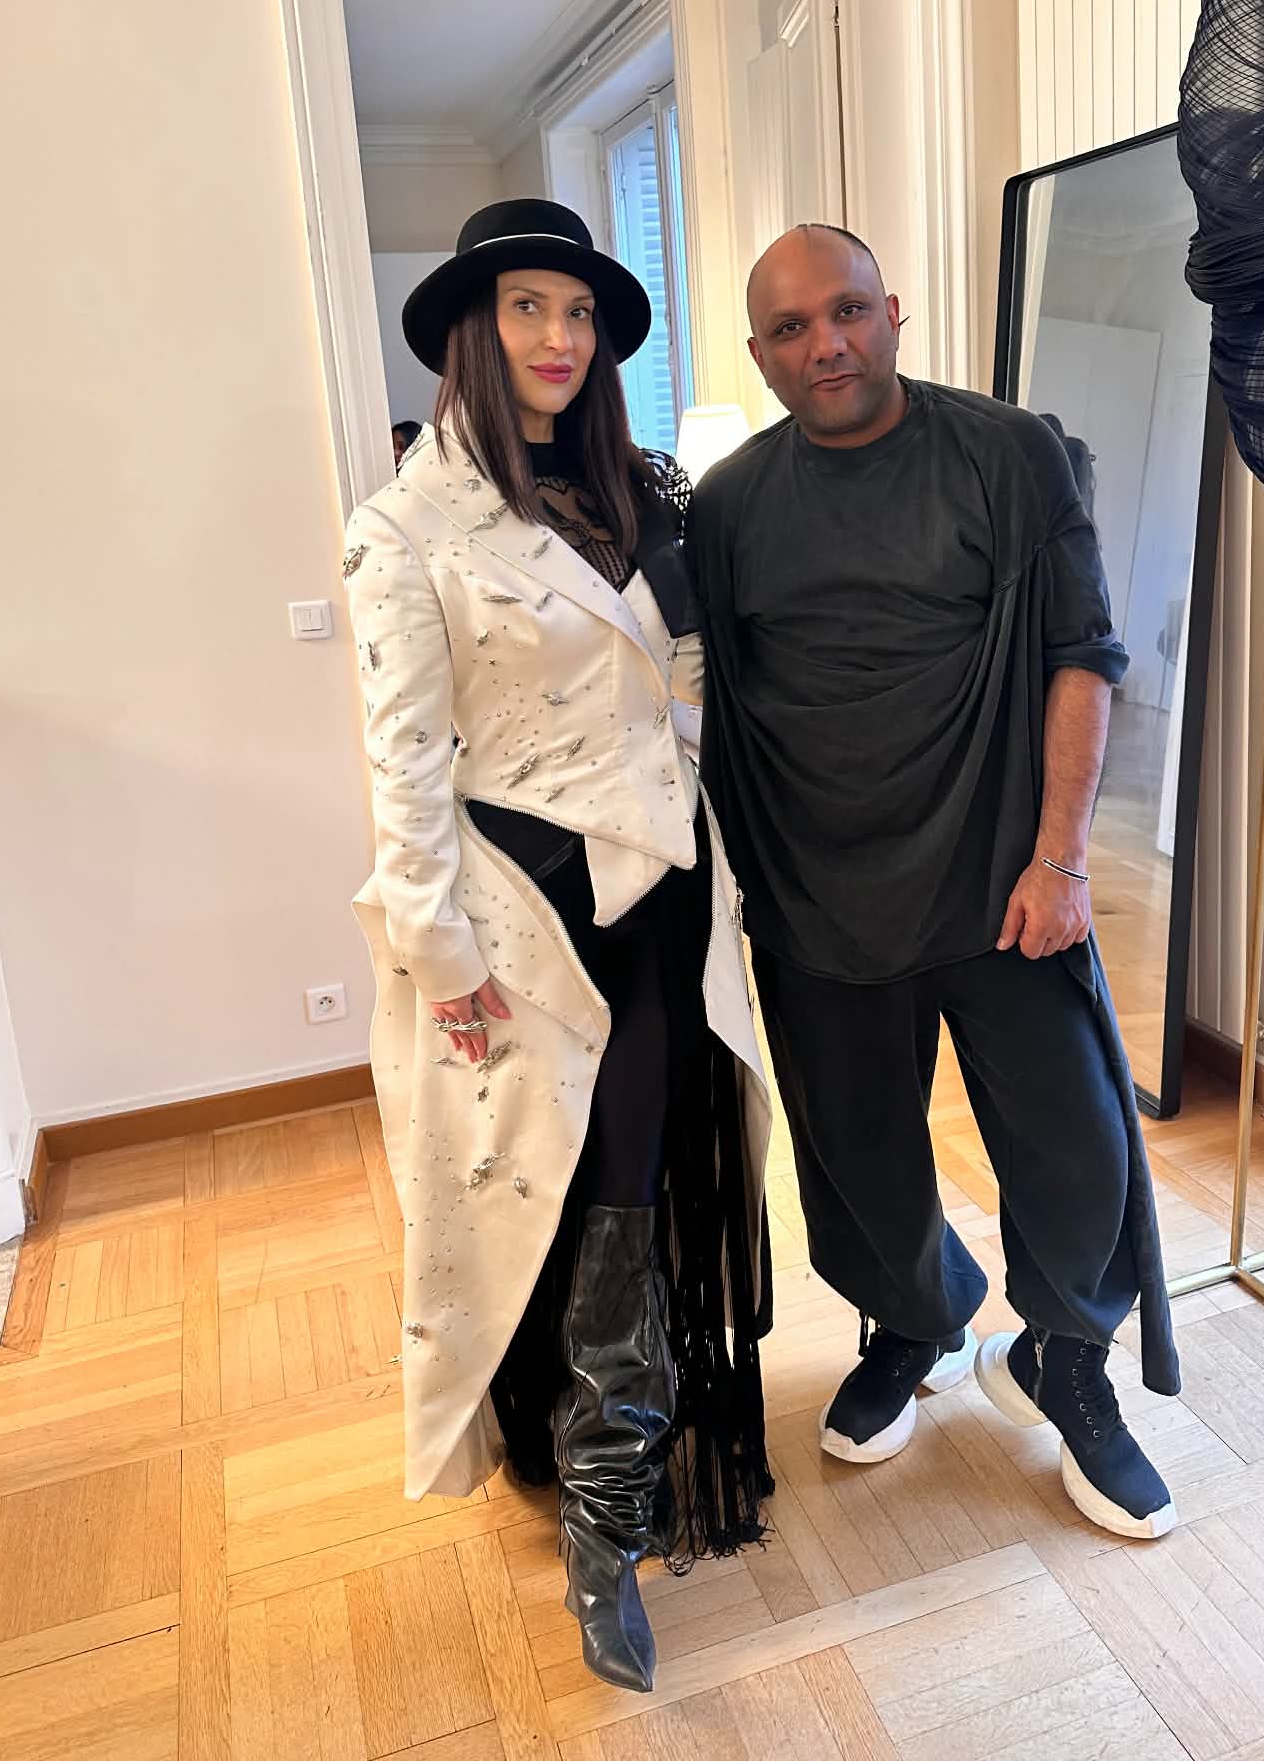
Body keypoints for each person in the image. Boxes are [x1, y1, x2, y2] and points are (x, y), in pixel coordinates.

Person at [683, 223, 1180, 1542]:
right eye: (790, 328)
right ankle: (918, 1317)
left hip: (1002, 876)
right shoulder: (729, 507)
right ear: (758, 354)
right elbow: (695, 695)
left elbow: (1082, 654)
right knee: (855, 1155)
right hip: (817, 892)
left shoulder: (1008, 456)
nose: (826, 345)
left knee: (1072, 1139)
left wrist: (1061, 859)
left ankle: (1066, 1358)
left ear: (892, 310)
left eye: (847, 311)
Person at [343, 199, 772, 1693]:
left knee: (631, 1185)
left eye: (579, 313)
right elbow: (403, 764)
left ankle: (611, 1510)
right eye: (530, 307)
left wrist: (689, 780)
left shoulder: (635, 492)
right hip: (527, 914)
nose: (560, 337)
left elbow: (691, 666)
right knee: (543, 1189)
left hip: (660, 899)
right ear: (476, 329)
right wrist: (440, 954)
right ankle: (592, 1507)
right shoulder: (406, 528)